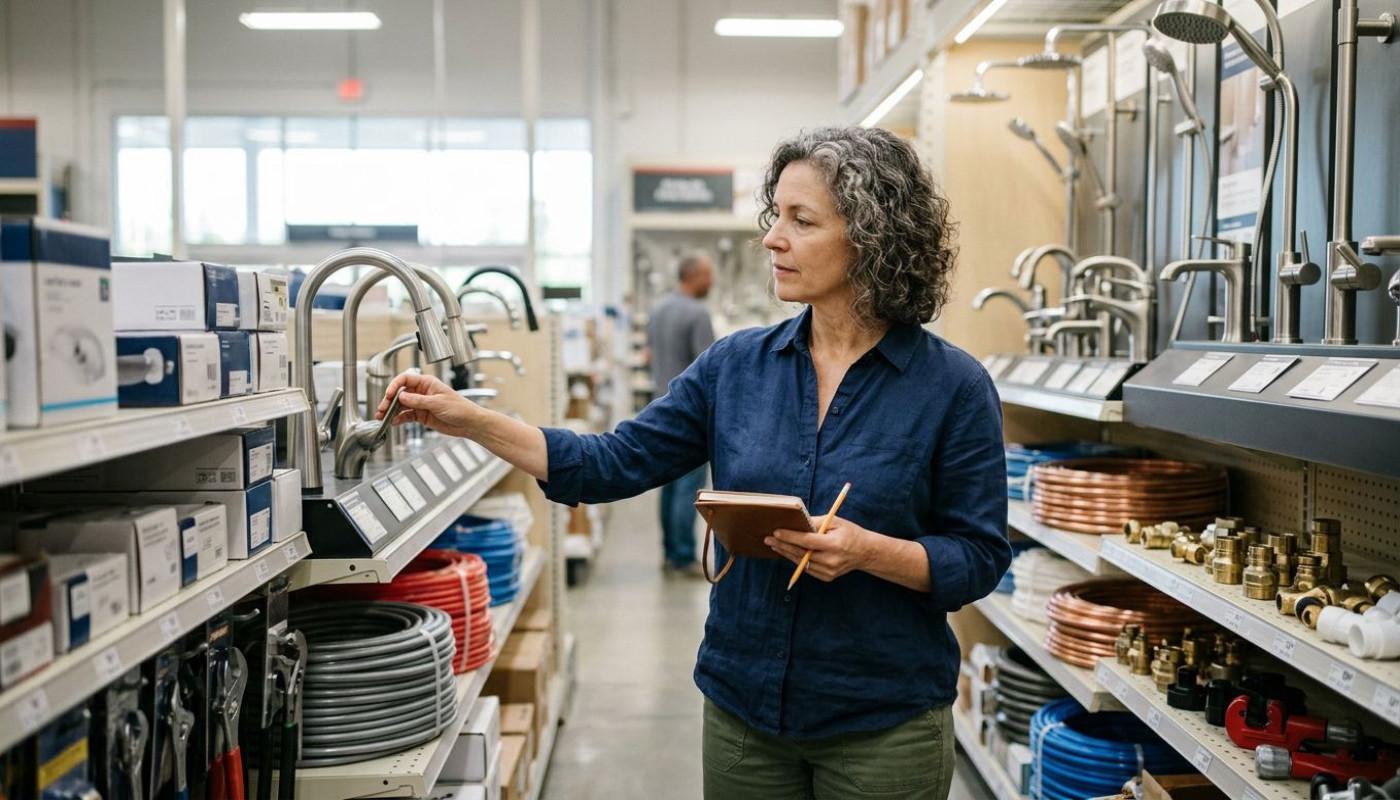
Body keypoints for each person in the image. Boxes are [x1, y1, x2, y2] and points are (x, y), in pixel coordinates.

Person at [377, 126, 1010, 799]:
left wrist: (868, 551)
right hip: (745, 716)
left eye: (802, 221)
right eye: (776, 217)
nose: (772, 239)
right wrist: (470, 419)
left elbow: (976, 557)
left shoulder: (953, 388)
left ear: (872, 238)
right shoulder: (736, 368)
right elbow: (610, 462)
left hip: (884, 724)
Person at [646, 253, 716, 576]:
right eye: (707, 275)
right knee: (688, 489)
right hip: (690, 415)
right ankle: (683, 557)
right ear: (693, 276)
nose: (711, 282)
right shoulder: (697, 314)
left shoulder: (658, 309)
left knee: (669, 484)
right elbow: (710, 369)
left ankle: (668, 552)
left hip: (660, 408)